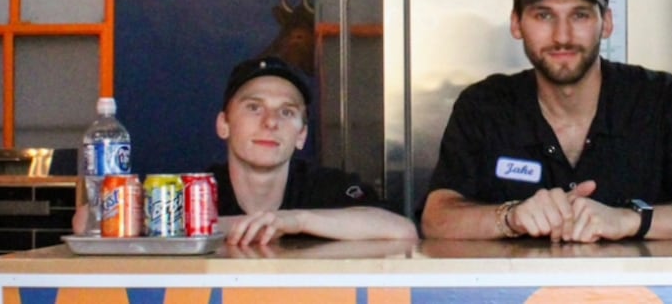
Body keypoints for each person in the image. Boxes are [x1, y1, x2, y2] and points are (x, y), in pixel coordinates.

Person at [419, 0, 672, 242]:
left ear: (606, 23)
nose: (562, 36)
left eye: (579, 15)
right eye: (543, 15)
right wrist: (510, 217)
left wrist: (630, 220)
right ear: (517, 24)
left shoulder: (667, 101)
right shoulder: (485, 106)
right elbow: (435, 218)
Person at [73, 56, 418, 244]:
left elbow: (402, 229)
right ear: (223, 124)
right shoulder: (193, 191)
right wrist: (248, 225)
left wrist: (295, 220)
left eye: (287, 112)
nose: (270, 122)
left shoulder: (322, 186)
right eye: (254, 108)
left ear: (301, 134)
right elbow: (86, 220)